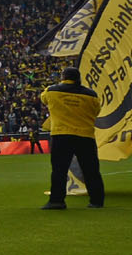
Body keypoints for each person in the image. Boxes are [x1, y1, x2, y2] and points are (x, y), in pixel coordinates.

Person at [40, 68, 103, 210]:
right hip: (85, 135)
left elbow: (43, 99)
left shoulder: (52, 91)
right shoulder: (91, 95)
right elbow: (96, 111)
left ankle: (57, 201)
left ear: (63, 77)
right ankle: (97, 200)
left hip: (62, 134)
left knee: (59, 170)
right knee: (91, 170)